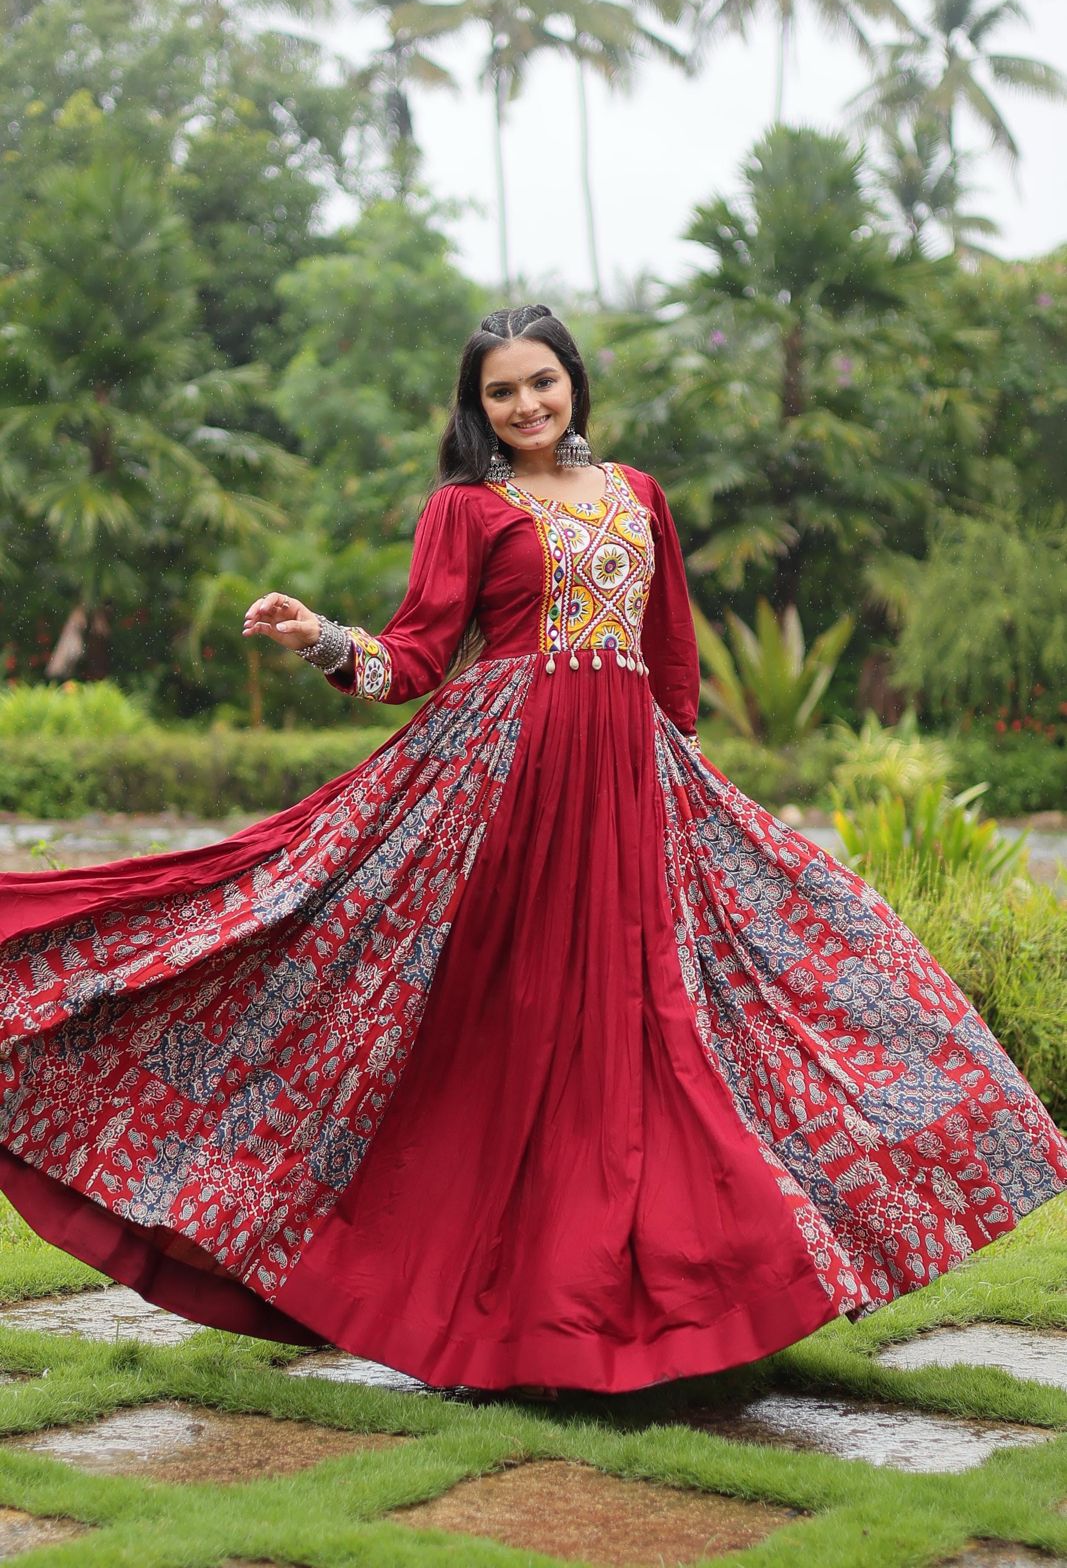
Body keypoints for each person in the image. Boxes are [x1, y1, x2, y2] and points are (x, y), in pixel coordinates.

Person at [0, 304, 1064, 1398]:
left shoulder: (636, 494)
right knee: (485, 1022)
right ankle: (497, 1316)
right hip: (498, 790)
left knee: (714, 998)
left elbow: (669, 656)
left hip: (633, 784)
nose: (525, 406)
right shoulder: (465, 507)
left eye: (541, 383)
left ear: (574, 383)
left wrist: (683, 785)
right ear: (478, 409)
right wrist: (319, 635)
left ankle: (661, 1308)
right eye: (500, 392)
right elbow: (414, 656)